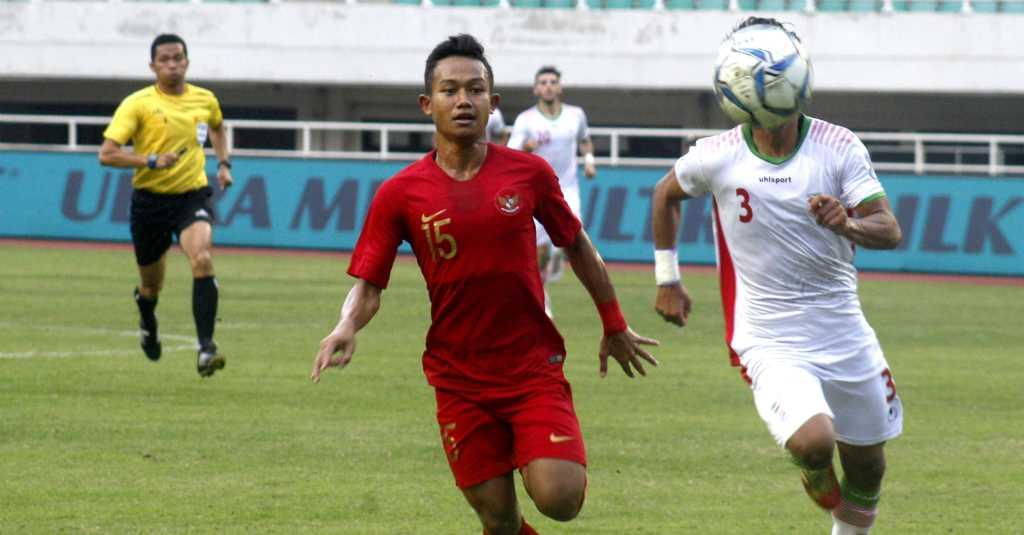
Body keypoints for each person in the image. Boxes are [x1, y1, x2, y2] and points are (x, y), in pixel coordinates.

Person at [311, 34, 658, 535]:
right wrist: (347, 325)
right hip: (458, 379)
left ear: (493, 105)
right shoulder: (399, 194)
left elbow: (578, 246)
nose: (463, 100)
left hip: (531, 369)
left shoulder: (529, 174)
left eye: (475, 90)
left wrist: (614, 323)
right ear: (427, 105)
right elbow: (369, 284)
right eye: (449, 90)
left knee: (560, 498)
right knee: (498, 520)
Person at [650, 17, 904, 535]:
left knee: (868, 466)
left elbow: (889, 229)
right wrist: (667, 277)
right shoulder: (716, 156)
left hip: (842, 326)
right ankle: (812, 469)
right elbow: (665, 195)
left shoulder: (839, 146)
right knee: (815, 441)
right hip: (769, 333)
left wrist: (848, 221)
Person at [99, 33, 233, 378]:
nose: (172, 64)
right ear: (153, 66)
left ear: (187, 61)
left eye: (178, 58)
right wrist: (151, 160)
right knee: (151, 286)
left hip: (192, 195)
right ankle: (147, 314)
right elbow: (107, 153)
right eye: (165, 60)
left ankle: (206, 348)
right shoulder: (138, 104)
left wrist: (223, 163)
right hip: (150, 203)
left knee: (202, 258)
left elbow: (218, 126)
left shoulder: (205, 99)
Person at [507, 66, 597, 318]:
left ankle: (558, 256)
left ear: (560, 87)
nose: (548, 86)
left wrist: (589, 160)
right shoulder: (526, 120)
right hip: (537, 193)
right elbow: (512, 155)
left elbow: (585, 138)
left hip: (567, 188)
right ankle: (542, 298)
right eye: (543, 82)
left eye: (552, 81)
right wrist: (527, 146)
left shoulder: (575, 115)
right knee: (540, 253)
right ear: (536, 88)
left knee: (574, 234)